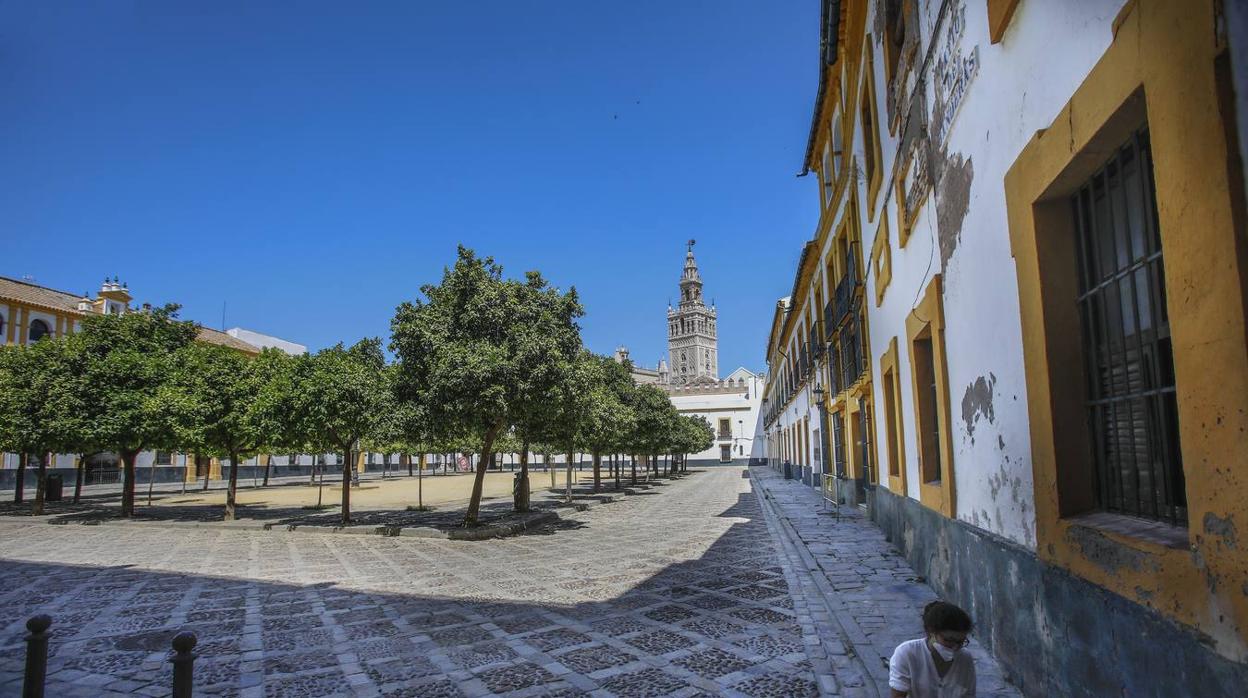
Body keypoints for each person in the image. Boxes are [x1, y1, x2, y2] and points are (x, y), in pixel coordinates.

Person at [889, 600, 976, 698]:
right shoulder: (907, 653)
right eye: (948, 640)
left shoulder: (965, 658)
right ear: (931, 632)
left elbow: (969, 694)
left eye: (960, 642)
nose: (955, 647)